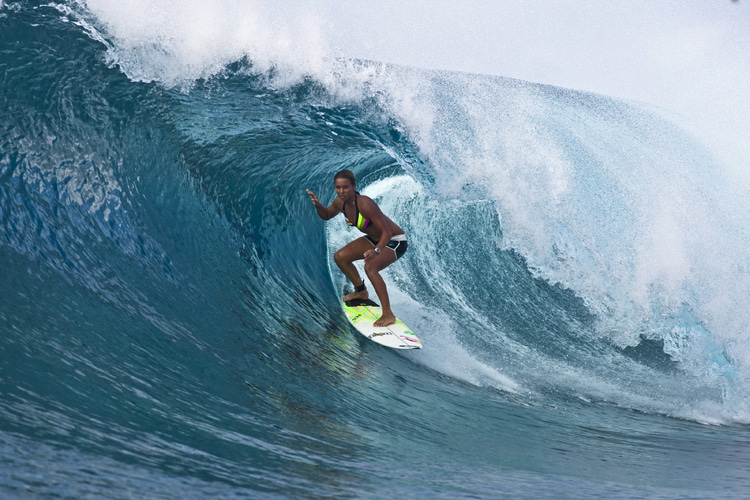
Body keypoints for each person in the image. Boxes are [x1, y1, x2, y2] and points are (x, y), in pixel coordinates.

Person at [307, 170, 407, 327]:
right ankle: (361, 290)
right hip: (374, 240)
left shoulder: (365, 204)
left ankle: (388, 314)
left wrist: (376, 251)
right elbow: (326, 215)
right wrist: (318, 205)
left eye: (345, 187)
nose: (341, 191)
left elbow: (387, 232)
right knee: (340, 256)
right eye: (338, 187)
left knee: (370, 267)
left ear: (354, 186)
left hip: (394, 241)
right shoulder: (340, 203)